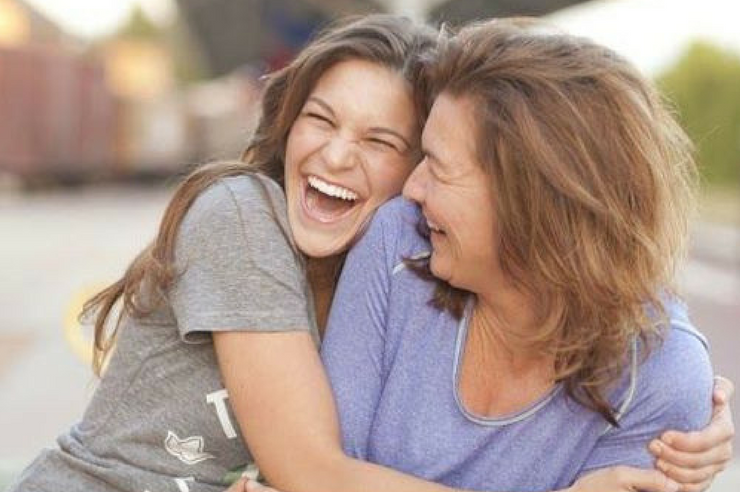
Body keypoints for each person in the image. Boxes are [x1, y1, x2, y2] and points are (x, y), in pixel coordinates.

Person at [7, 15, 733, 492]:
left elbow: (631, 310)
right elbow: (312, 472)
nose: (335, 155)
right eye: (319, 119)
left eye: (388, 144)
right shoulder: (247, 220)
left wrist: (689, 386)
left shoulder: (389, 253)